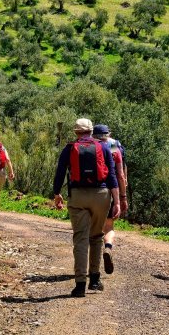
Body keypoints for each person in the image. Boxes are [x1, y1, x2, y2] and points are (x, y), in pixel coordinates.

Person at [53, 118, 120, 297]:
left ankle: (80, 284)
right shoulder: (104, 147)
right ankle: (95, 280)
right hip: (101, 195)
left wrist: (56, 193)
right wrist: (117, 201)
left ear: (76, 132)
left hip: (78, 196)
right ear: (91, 131)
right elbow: (112, 175)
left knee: (80, 239)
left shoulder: (69, 148)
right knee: (97, 236)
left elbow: (60, 172)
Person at [93, 124, 127, 275]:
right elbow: (120, 175)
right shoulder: (113, 146)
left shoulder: (89, 145)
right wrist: (122, 197)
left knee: (91, 229)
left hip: (89, 191)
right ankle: (108, 247)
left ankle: (91, 266)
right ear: (108, 134)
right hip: (109, 191)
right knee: (109, 227)